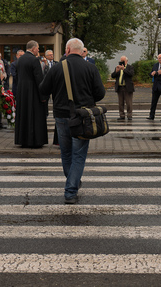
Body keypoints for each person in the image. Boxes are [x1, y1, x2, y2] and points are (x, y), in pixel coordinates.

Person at [39, 38, 105, 204]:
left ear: (67, 50)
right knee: (79, 155)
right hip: (82, 117)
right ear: (82, 51)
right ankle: (70, 190)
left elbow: (43, 89)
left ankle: (72, 181)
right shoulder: (90, 67)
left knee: (66, 152)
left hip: (61, 115)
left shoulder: (57, 68)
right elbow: (100, 93)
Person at [13, 40, 47, 148]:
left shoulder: (20, 59)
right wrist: (43, 96)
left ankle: (23, 140)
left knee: (24, 115)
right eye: (37, 48)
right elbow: (39, 79)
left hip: (22, 91)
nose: (38, 50)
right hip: (33, 92)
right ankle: (35, 140)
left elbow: (17, 77)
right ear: (33, 49)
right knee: (34, 116)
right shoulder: (34, 60)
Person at [112, 55, 135, 122]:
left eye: (123, 61)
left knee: (129, 103)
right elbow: (113, 76)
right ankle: (121, 115)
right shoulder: (118, 68)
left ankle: (129, 115)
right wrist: (116, 71)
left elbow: (131, 74)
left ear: (126, 61)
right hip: (120, 87)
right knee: (120, 103)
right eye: (121, 61)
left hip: (127, 87)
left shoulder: (130, 67)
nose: (122, 62)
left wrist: (124, 69)